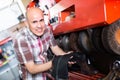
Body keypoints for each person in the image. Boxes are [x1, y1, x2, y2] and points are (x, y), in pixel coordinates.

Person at [13, 7, 70, 80]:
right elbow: (32, 69)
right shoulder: (21, 39)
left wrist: (66, 57)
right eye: (34, 22)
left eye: (41, 20)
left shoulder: (47, 30)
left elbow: (55, 48)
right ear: (27, 23)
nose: (39, 26)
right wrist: (57, 61)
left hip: (47, 72)